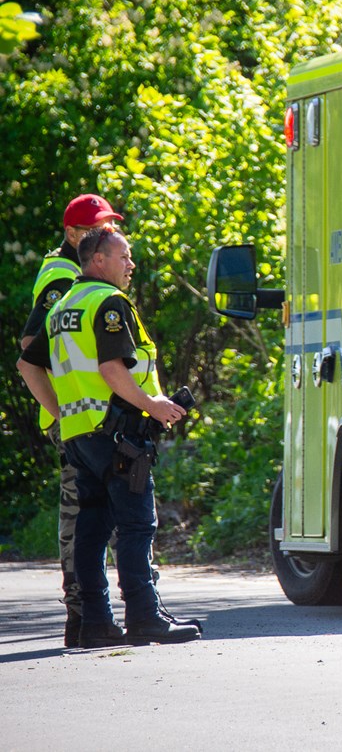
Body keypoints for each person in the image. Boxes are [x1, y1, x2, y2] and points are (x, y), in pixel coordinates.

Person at [17, 227, 199, 646]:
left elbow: (28, 365)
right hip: (119, 435)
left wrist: (61, 414)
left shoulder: (63, 306)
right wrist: (153, 405)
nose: (130, 264)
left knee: (92, 530)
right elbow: (112, 369)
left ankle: (96, 623)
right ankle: (144, 616)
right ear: (98, 259)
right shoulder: (108, 302)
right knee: (136, 526)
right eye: (124, 256)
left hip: (80, 437)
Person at [16, 193, 124, 647]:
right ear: (73, 235)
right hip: (85, 421)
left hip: (90, 418)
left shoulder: (79, 274)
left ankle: (90, 618)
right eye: (96, 227)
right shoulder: (64, 278)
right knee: (95, 517)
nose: (105, 231)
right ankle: (93, 613)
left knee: (93, 517)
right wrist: (60, 413)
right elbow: (28, 351)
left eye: (109, 225)